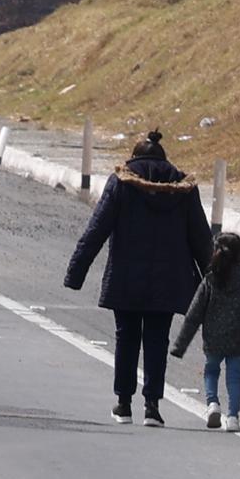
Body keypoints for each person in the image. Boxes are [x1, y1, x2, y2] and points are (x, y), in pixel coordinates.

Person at [64, 129, 214, 422]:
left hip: (125, 276)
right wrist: (216, 282)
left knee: (126, 337)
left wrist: (76, 272)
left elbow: (96, 230)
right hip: (169, 280)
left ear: (133, 157)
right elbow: (201, 239)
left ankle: (124, 403)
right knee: (157, 339)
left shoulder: (121, 182)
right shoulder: (184, 188)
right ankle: (153, 407)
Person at [176, 230, 240, 433]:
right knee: (234, 377)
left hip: (213, 338)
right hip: (238, 339)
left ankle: (212, 404)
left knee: (211, 370)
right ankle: (233, 417)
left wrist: (180, 345)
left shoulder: (210, 280)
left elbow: (194, 314)